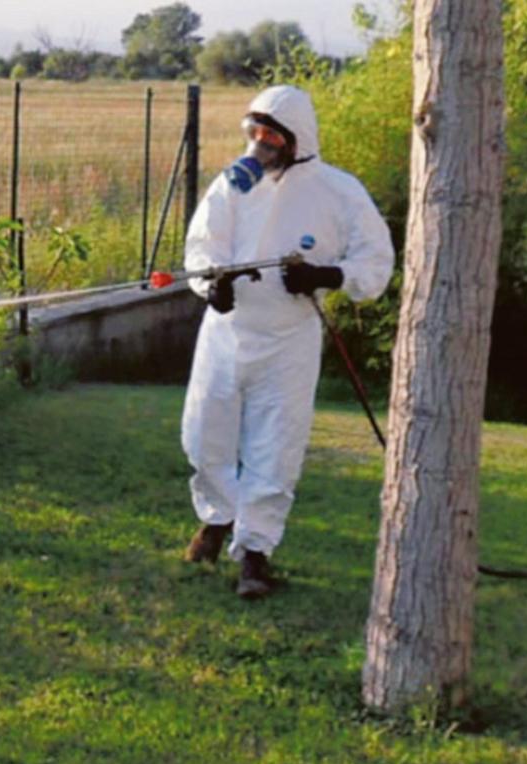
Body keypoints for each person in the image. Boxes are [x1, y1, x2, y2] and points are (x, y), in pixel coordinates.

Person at [179, 85, 394, 599]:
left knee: (274, 448)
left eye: (271, 134)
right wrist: (212, 286)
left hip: (288, 341)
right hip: (226, 335)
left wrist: (328, 275)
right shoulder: (232, 185)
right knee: (204, 434)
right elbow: (202, 248)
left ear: (298, 139)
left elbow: (375, 263)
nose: (260, 143)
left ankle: (256, 552)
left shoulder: (339, 191)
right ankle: (217, 519)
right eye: (253, 132)